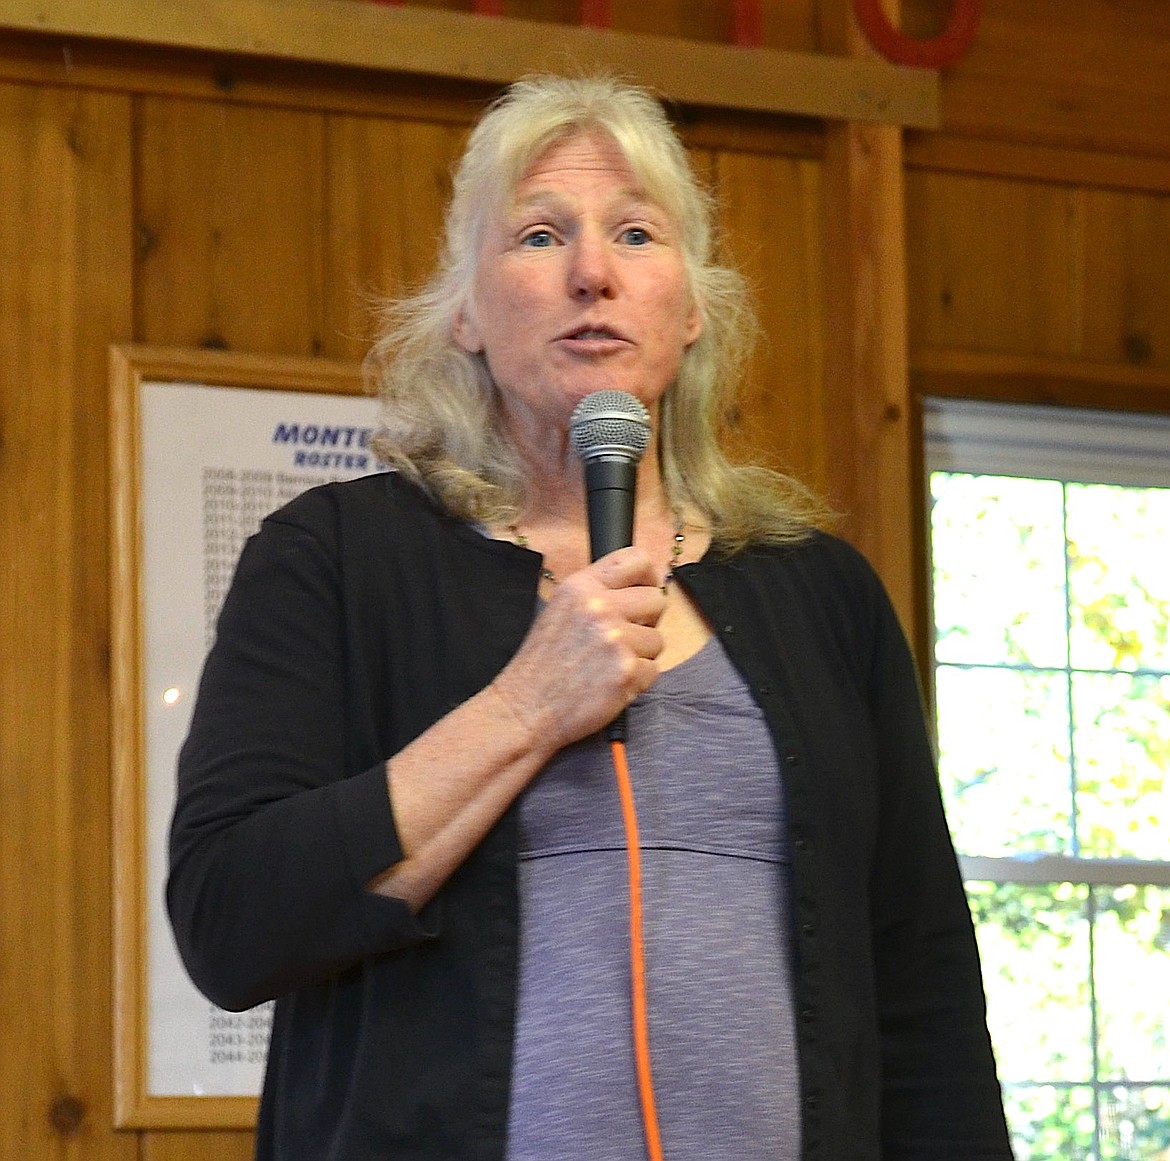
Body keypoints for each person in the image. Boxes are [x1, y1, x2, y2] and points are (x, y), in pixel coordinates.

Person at [168, 74, 1014, 1160]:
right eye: (537, 235)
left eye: (635, 232)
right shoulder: (333, 560)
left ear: (693, 306)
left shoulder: (822, 593)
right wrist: (527, 705)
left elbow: (922, 984)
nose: (592, 273)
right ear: (465, 312)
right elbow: (232, 921)